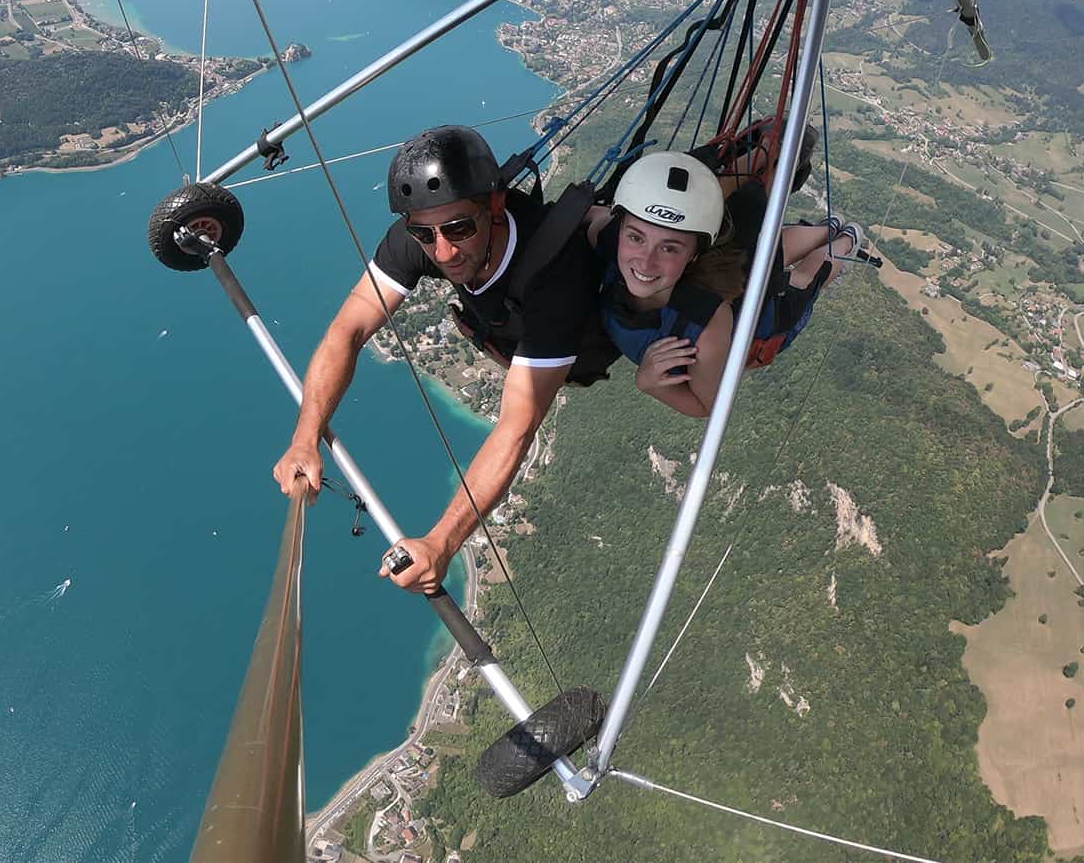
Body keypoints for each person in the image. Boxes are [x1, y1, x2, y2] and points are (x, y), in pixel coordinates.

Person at [271, 125, 603, 593]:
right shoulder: (425, 235)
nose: (443, 250)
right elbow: (348, 330)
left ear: (495, 206)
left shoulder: (554, 276)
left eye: (459, 229)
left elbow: (516, 427)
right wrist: (306, 436)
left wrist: (441, 543)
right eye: (423, 233)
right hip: (509, 329)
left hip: (577, 340)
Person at [586, 148, 862, 418]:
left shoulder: (707, 323)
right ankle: (826, 228)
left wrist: (647, 383)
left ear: (694, 254)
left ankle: (847, 240)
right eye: (636, 238)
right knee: (771, 253)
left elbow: (705, 406)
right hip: (732, 272)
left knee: (805, 278)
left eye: (669, 248)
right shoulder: (607, 239)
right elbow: (592, 215)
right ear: (620, 229)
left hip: (762, 320)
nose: (645, 263)